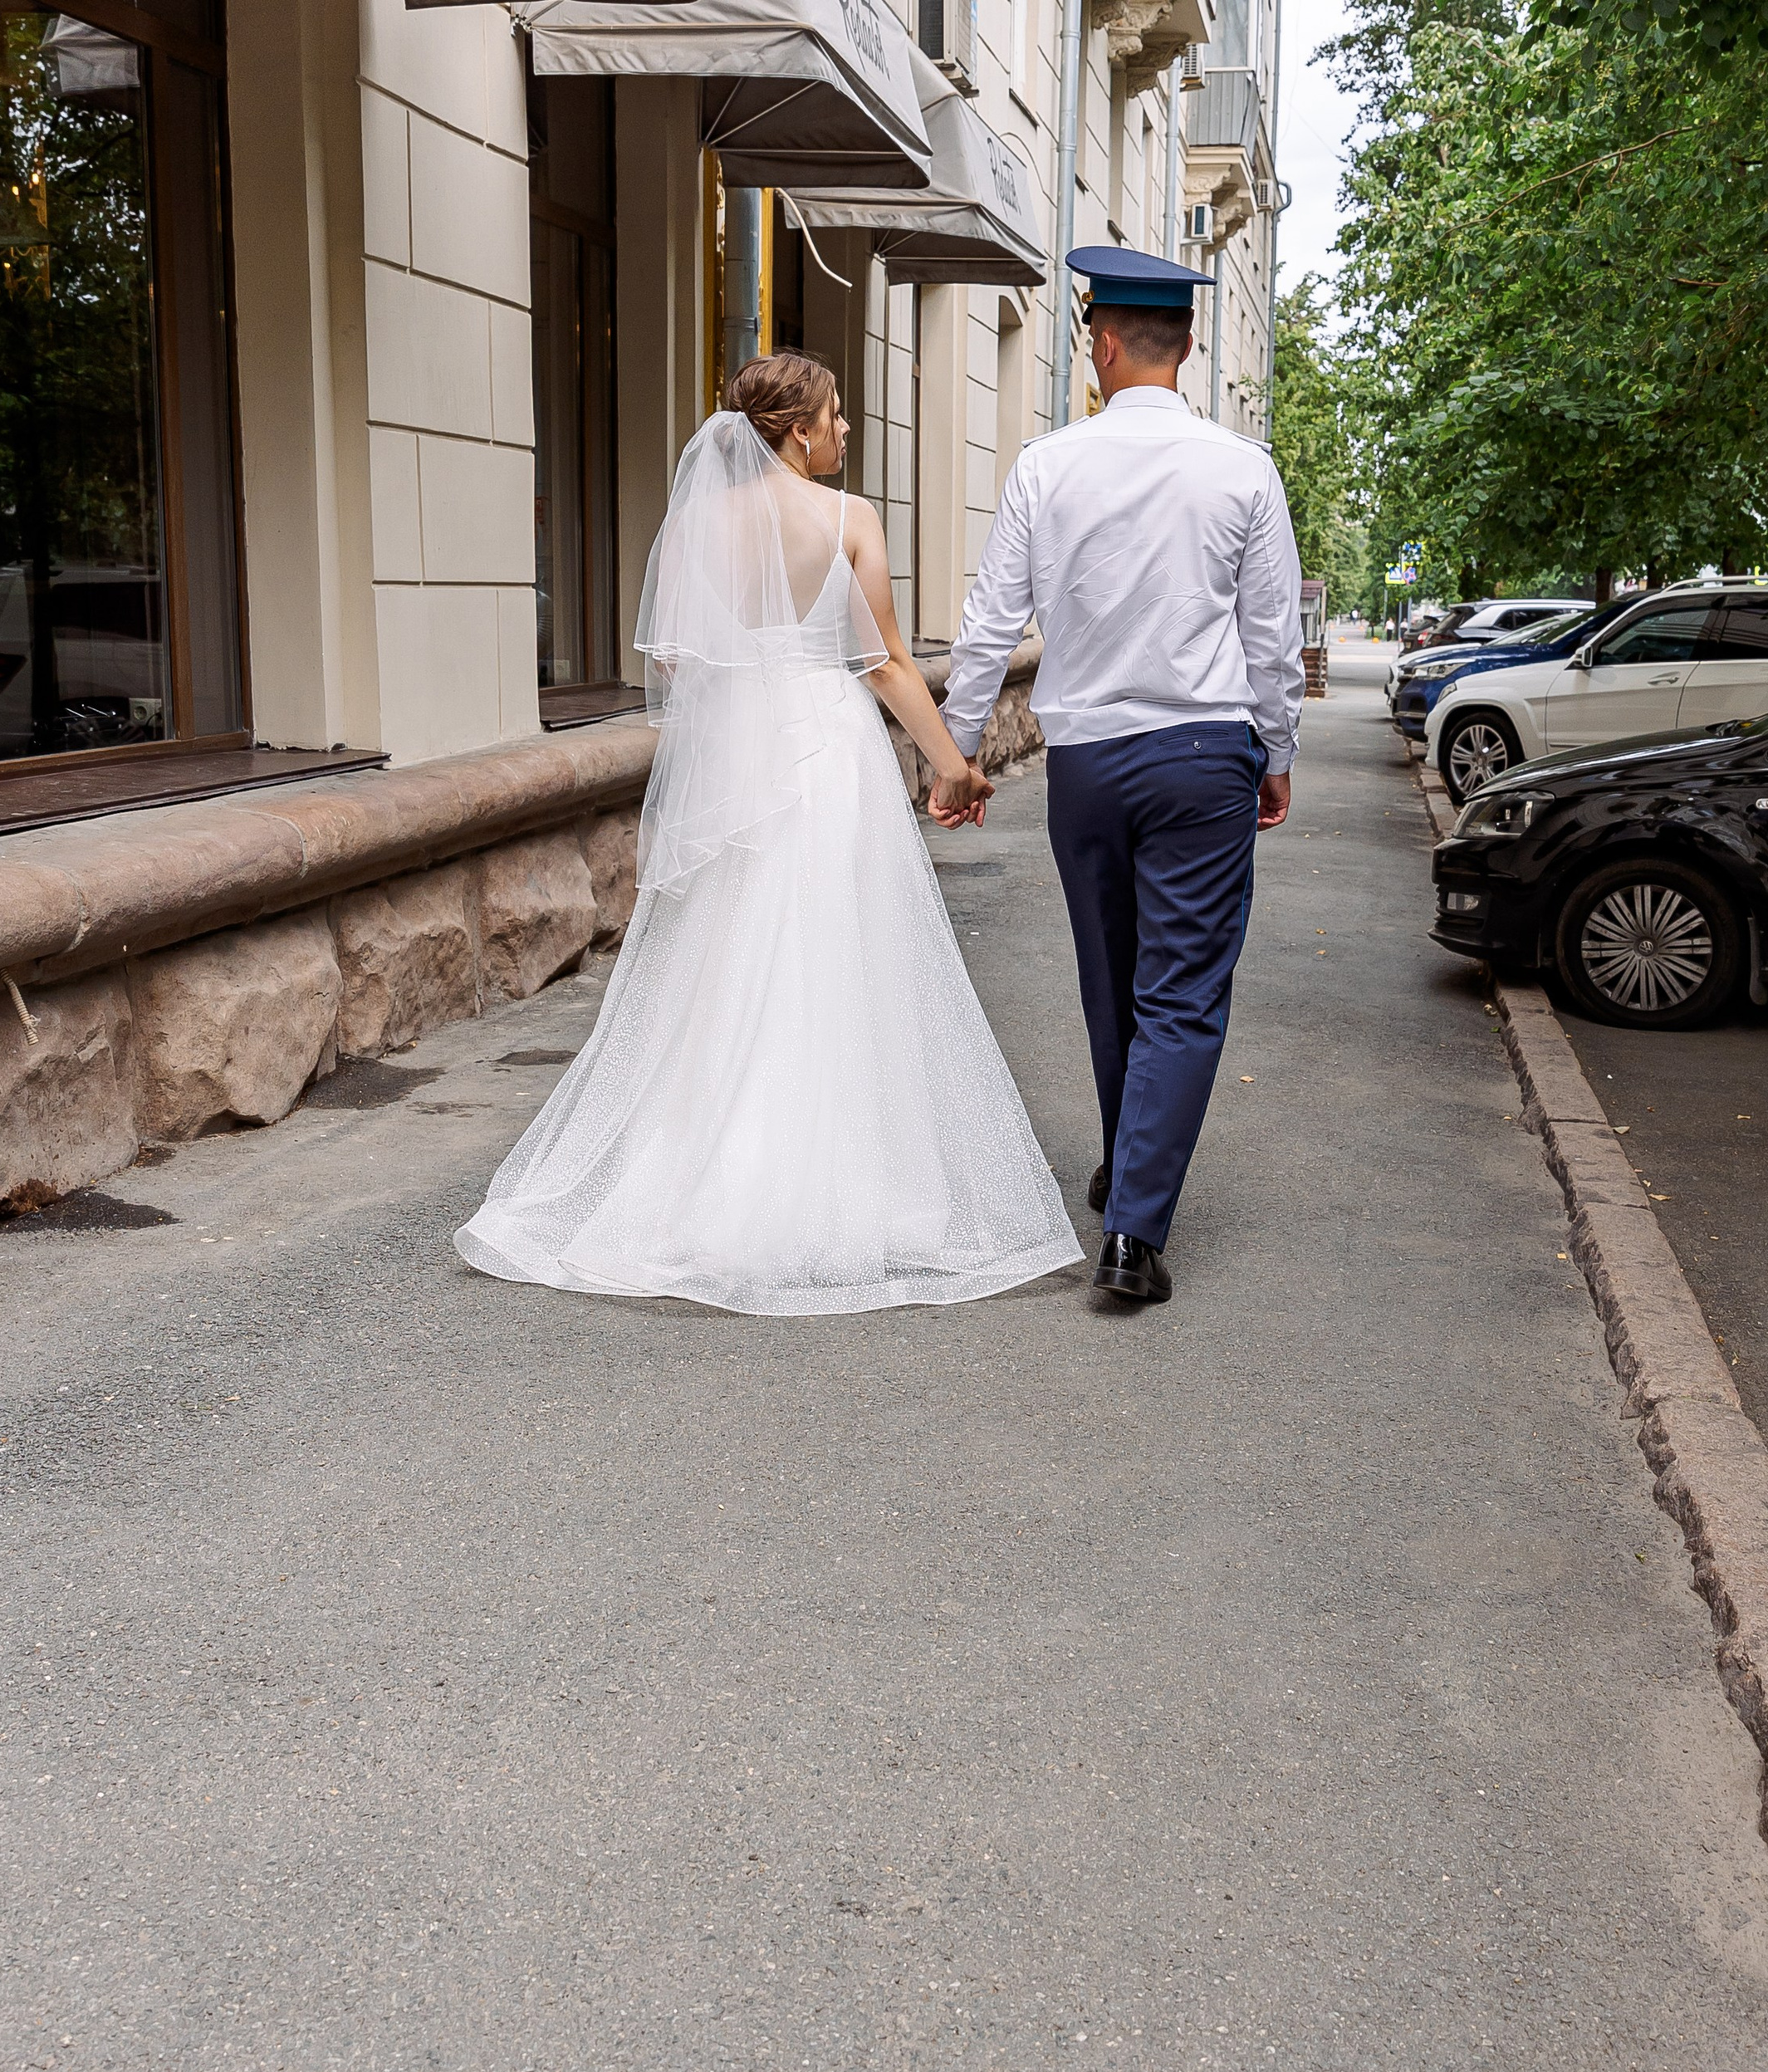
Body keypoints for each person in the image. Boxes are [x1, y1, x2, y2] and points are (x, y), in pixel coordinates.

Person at [454, 352, 1080, 1315]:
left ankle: (705, 1178)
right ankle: (837, 1183)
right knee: (833, 949)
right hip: (825, 751)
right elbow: (886, 664)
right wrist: (951, 766)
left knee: (728, 952)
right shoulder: (848, 519)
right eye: (836, 415)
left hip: (738, 758)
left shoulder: (699, 521)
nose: (845, 430)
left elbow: (677, 657)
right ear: (797, 430)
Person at [935, 248, 1305, 1311]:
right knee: (1180, 991)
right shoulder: (1243, 469)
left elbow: (989, 624)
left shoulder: (1044, 466)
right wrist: (1276, 754)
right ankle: (1134, 1231)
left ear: (1100, 344)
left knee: (1112, 978)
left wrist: (959, 755)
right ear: (1184, 345)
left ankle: (1126, 1168)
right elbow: (1272, 639)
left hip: (1088, 763)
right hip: (1202, 757)